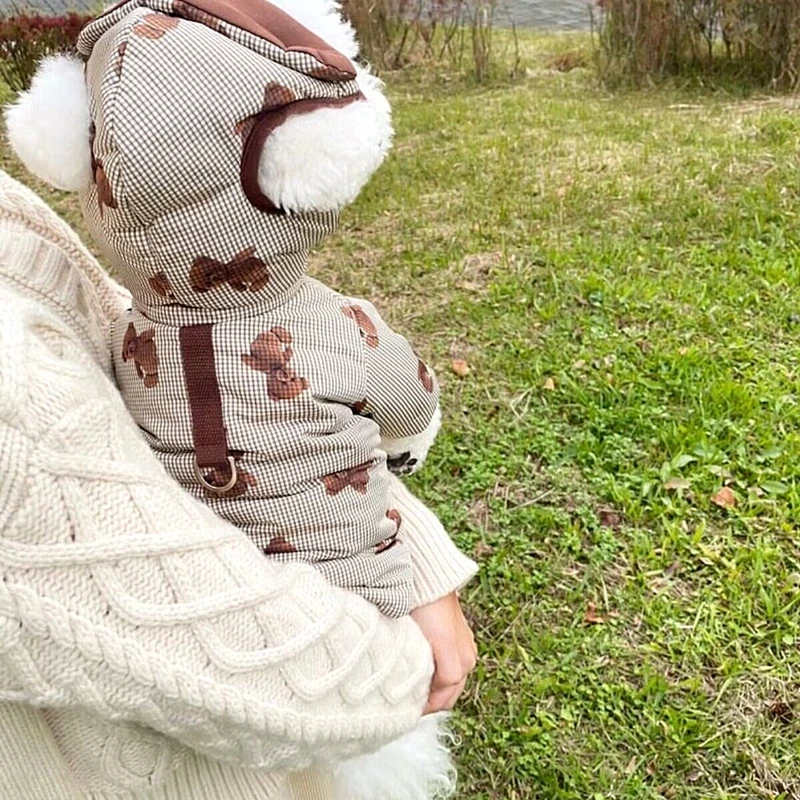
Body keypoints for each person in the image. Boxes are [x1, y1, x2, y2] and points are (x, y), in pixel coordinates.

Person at [0, 169, 478, 798]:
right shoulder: (339, 327)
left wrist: (419, 558)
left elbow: (106, 324)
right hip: (211, 764)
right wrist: (408, 666)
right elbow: (214, 652)